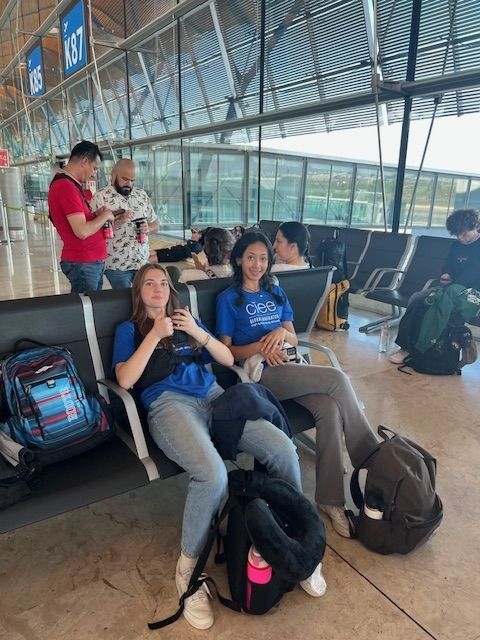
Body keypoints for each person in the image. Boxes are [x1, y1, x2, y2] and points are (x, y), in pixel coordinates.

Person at [112, 263, 326, 630]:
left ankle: (292, 547)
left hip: (214, 398)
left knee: (283, 449)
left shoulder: (185, 321)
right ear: (138, 292)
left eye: (163, 283)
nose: (157, 288)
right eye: (149, 283)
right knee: (212, 477)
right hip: (169, 405)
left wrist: (197, 331)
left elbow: (226, 359)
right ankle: (189, 571)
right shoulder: (129, 329)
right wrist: (153, 336)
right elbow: (126, 379)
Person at [216, 232, 379, 538]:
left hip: (291, 362)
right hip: (262, 373)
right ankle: (370, 456)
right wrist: (259, 347)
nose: (257, 264)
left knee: (330, 409)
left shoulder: (275, 292)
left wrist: (280, 331)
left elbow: (293, 336)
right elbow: (227, 354)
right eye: (250, 257)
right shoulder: (229, 299)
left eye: (263, 258)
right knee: (337, 378)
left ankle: (331, 500)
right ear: (238, 259)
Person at [390, 208, 480, 364]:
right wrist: (446, 274)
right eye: (456, 234)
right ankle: (405, 346)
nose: (460, 238)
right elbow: (448, 266)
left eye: (463, 234)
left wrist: (453, 284)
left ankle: (460, 341)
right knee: (417, 299)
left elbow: (471, 275)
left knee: (436, 308)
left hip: (474, 295)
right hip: (450, 289)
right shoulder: (455, 246)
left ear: (474, 227)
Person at [48, 140, 114, 293]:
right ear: (84, 161)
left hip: (88, 262)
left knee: (91, 308)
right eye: (94, 167)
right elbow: (81, 231)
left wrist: (96, 215)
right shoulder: (65, 187)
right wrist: (104, 216)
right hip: (83, 262)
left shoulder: (70, 185)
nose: (94, 173)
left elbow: (80, 222)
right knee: (87, 311)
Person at [91, 159, 158, 288]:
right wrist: (119, 220)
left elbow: (156, 223)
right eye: (125, 179)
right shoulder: (100, 197)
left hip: (141, 262)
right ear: (114, 174)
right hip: (117, 265)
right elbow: (94, 233)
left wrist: (148, 228)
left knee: (143, 302)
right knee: (125, 302)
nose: (129, 184)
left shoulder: (141, 195)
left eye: (132, 180)